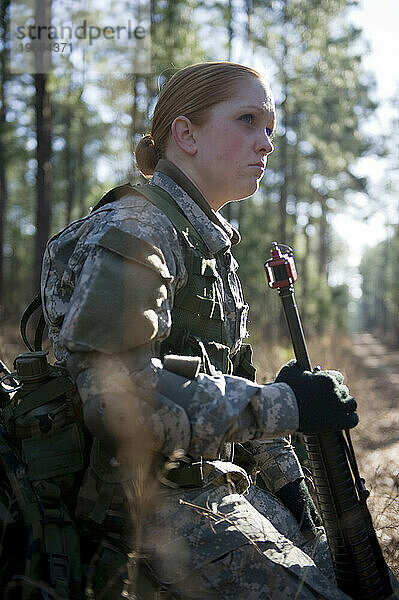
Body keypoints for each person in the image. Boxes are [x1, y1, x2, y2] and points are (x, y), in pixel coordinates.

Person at [38, 62, 359, 599]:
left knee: (352, 574)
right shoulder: (137, 230)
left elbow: (230, 380)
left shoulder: (210, 245)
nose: (265, 144)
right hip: (142, 509)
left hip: (206, 484)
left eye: (270, 129)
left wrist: (292, 486)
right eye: (247, 120)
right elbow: (115, 398)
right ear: (185, 134)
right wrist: (286, 405)